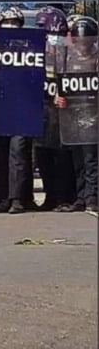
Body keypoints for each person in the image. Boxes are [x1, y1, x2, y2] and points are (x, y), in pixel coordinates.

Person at [0, 6, 37, 214]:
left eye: (15, 23)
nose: (11, 26)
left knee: (19, 154)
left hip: (22, 110)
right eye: (7, 23)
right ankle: (3, 198)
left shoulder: (31, 49)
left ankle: (18, 199)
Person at [33, 8, 77, 211]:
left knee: (62, 157)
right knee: (43, 156)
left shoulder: (70, 53)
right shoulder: (34, 54)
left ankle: (64, 198)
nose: (51, 40)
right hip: (41, 112)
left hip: (63, 115)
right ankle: (51, 196)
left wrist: (64, 94)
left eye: (55, 35)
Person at [55, 17, 98, 213]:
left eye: (86, 40)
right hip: (72, 117)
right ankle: (80, 197)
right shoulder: (67, 58)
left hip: (93, 115)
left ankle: (92, 198)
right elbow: (60, 84)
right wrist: (58, 96)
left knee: (91, 160)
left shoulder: (97, 57)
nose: (83, 44)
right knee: (78, 160)